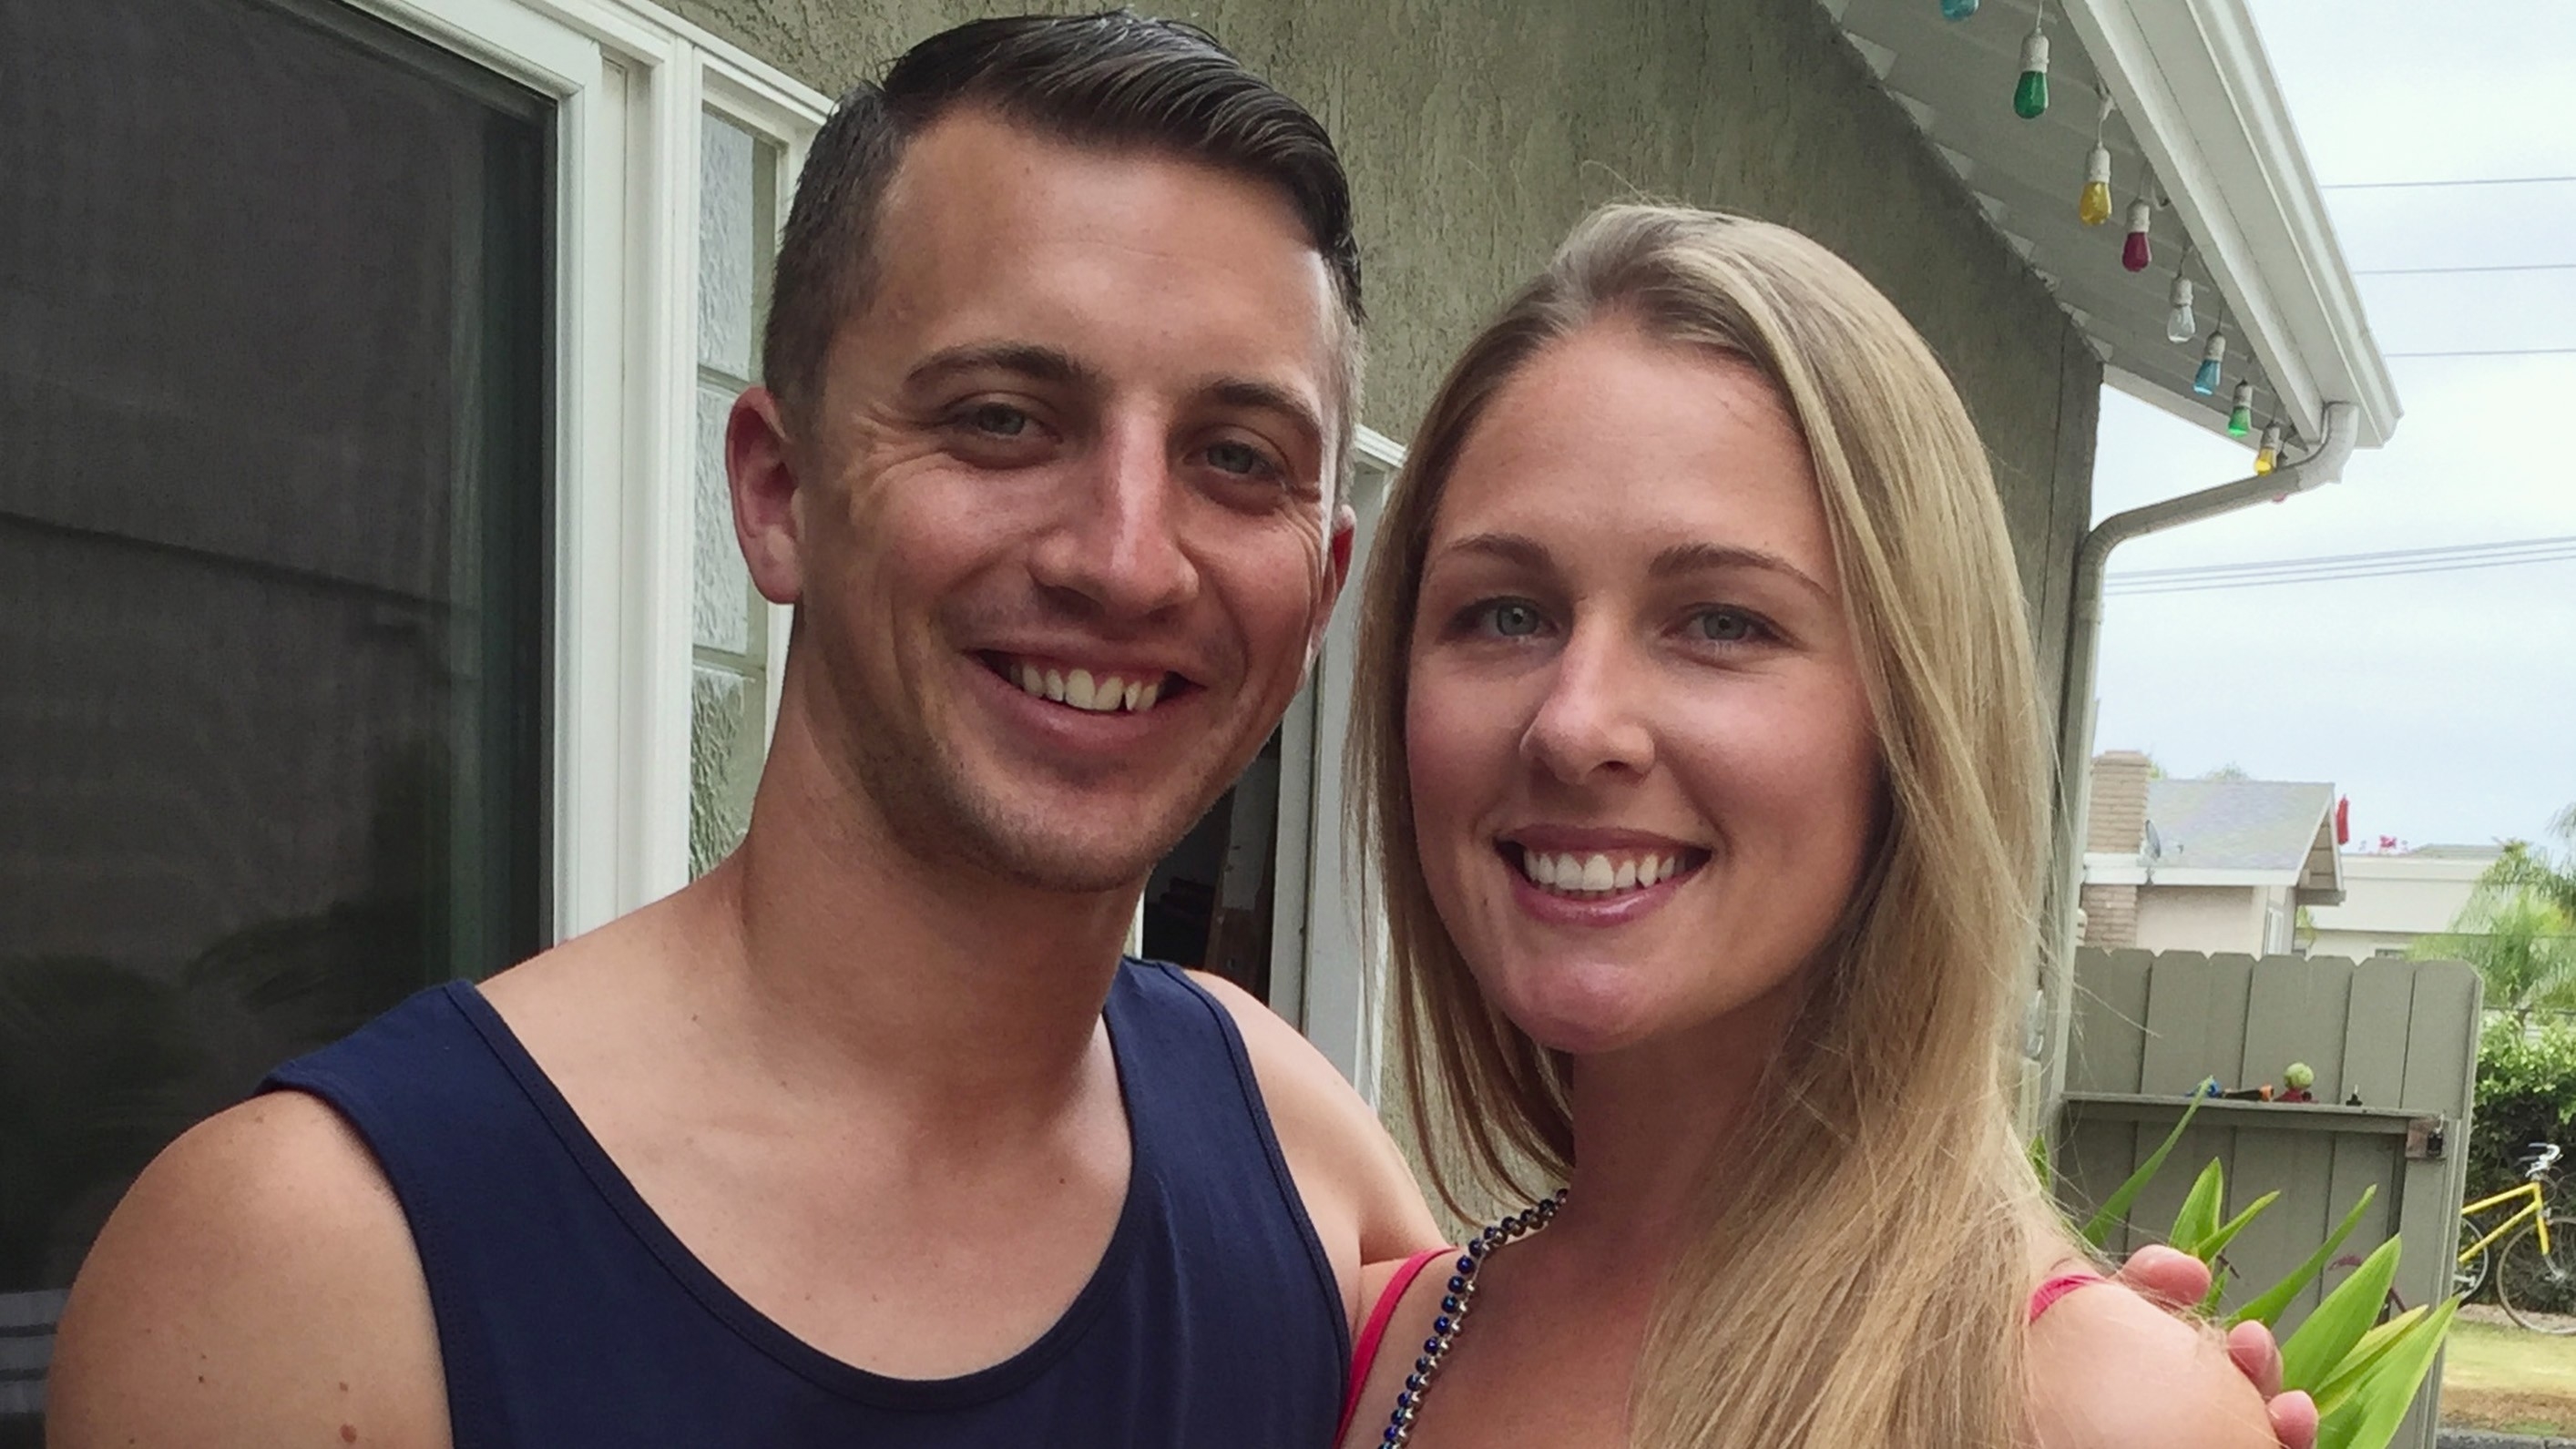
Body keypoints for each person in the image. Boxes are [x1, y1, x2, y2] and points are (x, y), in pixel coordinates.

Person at [48, 15, 1439, 1446]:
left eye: (1234, 458)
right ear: (778, 492)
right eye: (1005, 419)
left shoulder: (1287, 1147)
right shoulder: (317, 1273)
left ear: (1323, 589)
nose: (1128, 557)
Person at [1334, 205, 2316, 1449]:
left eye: (1722, 621)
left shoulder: (2076, 1410)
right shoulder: (1371, 1346)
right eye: (1506, 614)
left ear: (1913, 717)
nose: (1575, 724)